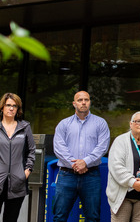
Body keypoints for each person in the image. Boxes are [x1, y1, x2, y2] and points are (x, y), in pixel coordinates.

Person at [53, 90, 110, 222]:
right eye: (80, 100)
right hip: (66, 175)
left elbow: (102, 147)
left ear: (90, 102)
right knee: (59, 217)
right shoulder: (64, 124)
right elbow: (59, 148)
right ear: (74, 103)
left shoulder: (100, 123)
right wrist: (75, 164)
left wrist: (85, 162)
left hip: (91, 176)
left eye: (86, 100)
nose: (83, 102)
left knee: (93, 217)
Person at [0, 93, 35, 222]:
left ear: (18, 109)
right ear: (2, 108)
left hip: (17, 184)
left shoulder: (25, 128)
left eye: (14, 106)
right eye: (8, 105)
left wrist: (26, 172)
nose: (11, 108)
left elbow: (31, 152)